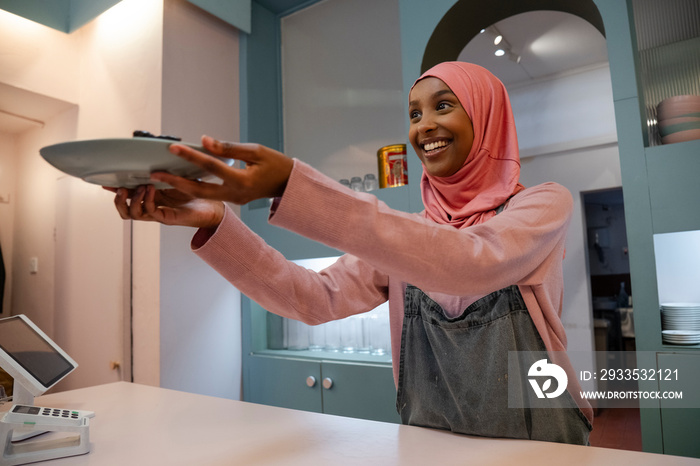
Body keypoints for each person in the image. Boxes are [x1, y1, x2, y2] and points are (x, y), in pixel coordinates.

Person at [111, 62, 592, 444]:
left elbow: (470, 262)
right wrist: (217, 221)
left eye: (443, 106)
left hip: (539, 442)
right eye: (415, 113)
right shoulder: (414, 238)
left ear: (486, 116)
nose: (425, 126)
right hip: (432, 445)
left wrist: (291, 184)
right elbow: (312, 299)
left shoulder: (542, 205)